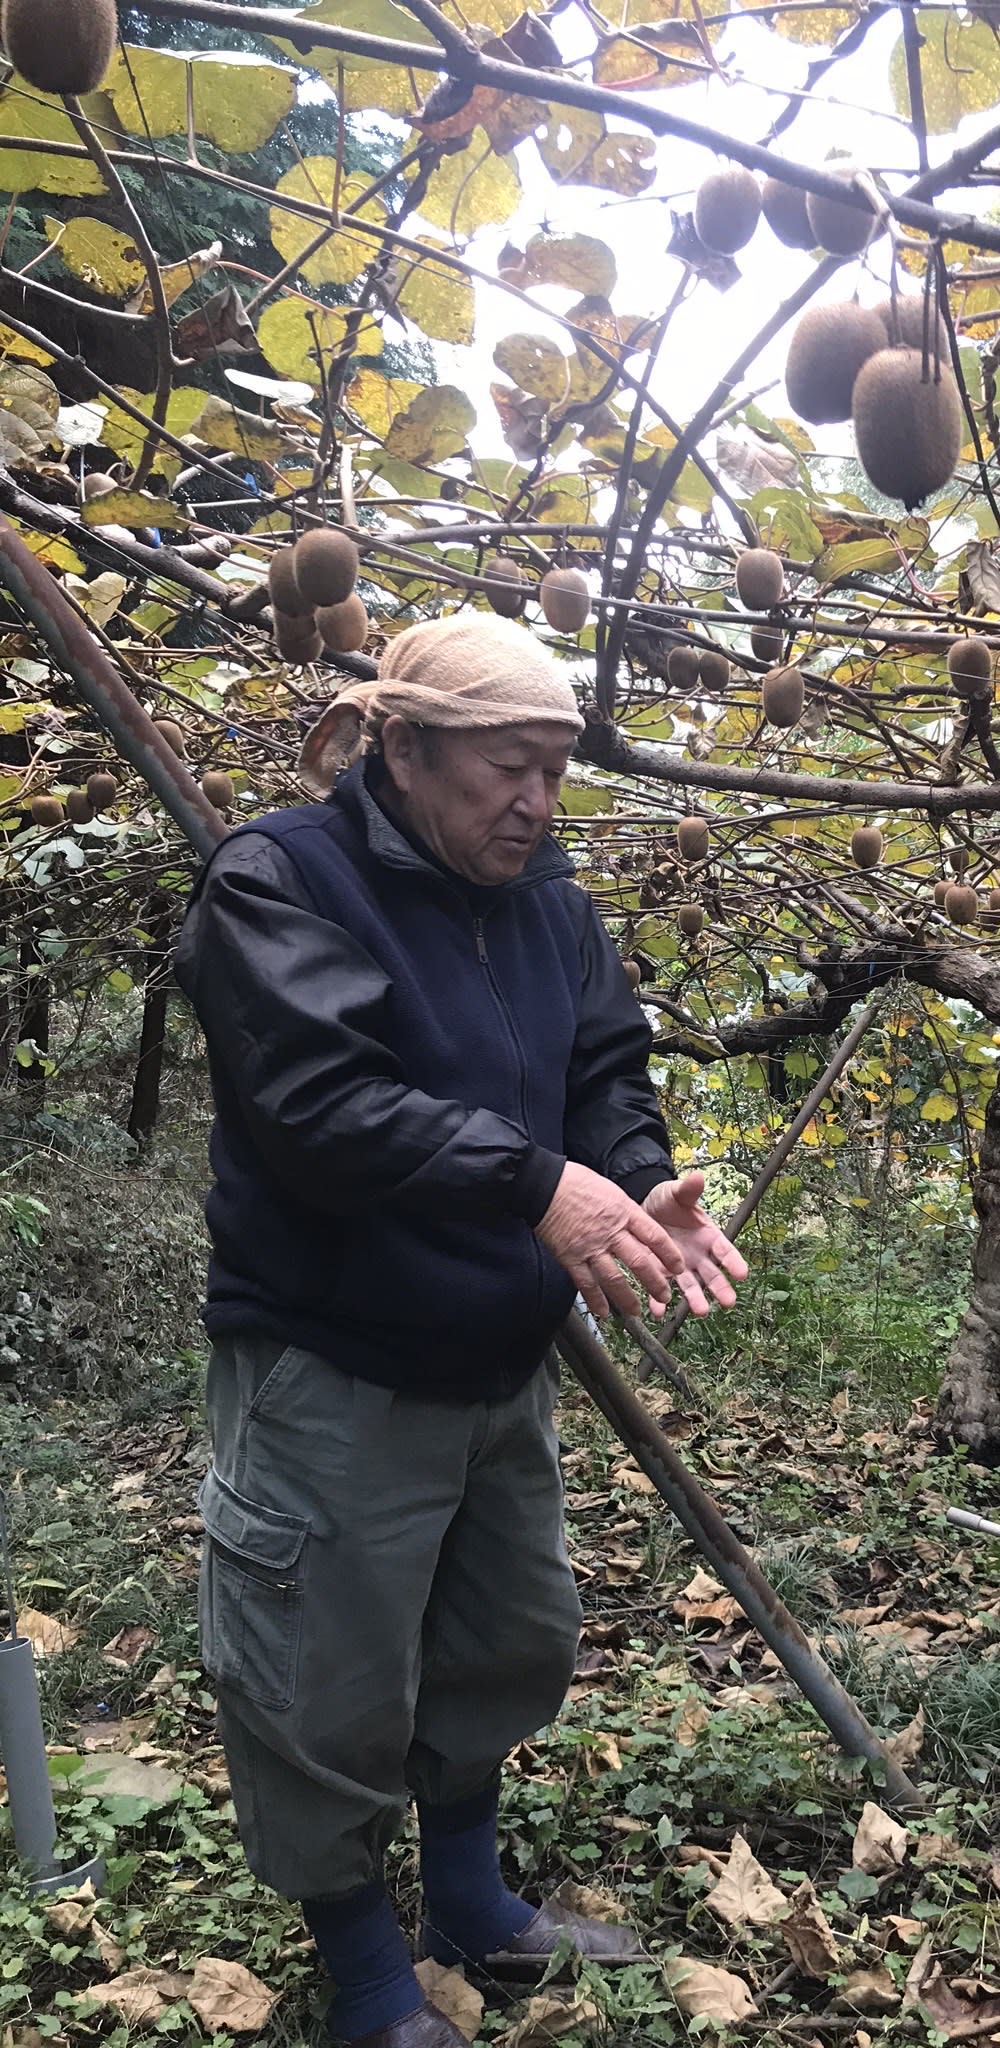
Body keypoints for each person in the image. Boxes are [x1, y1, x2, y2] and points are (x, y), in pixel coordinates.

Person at [175, 614, 748, 2048]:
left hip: (498, 1363)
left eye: (558, 773)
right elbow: (318, 1107)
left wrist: (629, 1179)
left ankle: (472, 1903)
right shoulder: (279, 881)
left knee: (506, 1638)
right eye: (510, 769)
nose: (539, 805)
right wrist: (537, 1184)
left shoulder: (544, 895)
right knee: (323, 1678)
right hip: (335, 1360)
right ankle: (368, 1971)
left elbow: (604, 1063)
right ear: (406, 749)